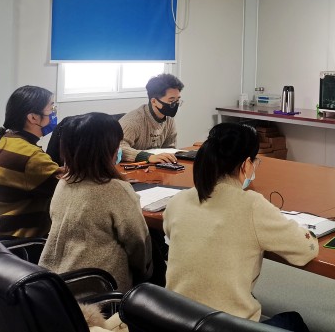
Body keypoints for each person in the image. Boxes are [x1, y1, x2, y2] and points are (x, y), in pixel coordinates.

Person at [162, 123, 317, 331]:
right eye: (255, 161)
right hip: (224, 326)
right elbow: (305, 250)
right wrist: (310, 233)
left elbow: (171, 231)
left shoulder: (179, 200)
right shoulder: (252, 205)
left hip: (174, 320)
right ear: (246, 164)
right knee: (293, 321)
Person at [39, 113, 151, 292]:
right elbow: (138, 244)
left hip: (53, 284)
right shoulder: (116, 189)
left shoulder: (64, 182)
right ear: (108, 150)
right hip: (97, 289)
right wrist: (146, 272)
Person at [0, 86, 61, 238]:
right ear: (33, 118)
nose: (54, 114)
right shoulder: (31, 156)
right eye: (51, 109)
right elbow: (68, 189)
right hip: (18, 242)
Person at [119, 73, 184, 163]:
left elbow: (170, 147)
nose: (175, 104)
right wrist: (148, 157)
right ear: (154, 101)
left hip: (155, 166)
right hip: (132, 166)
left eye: (177, 100)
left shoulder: (169, 119)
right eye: (171, 100)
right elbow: (119, 148)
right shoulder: (133, 121)